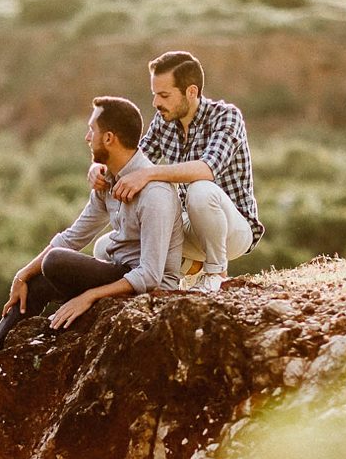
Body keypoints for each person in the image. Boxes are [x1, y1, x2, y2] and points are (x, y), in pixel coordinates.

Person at [0, 96, 183, 393]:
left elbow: (151, 275)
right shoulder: (107, 182)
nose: (86, 137)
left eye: (91, 130)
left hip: (152, 287)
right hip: (121, 273)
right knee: (36, 284)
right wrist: (22, 274)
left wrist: (90, 296)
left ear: (109, 138)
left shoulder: (155, 194)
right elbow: (73, 236)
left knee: (56, 261)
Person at [90, 50, 263, 293]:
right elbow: (131, 158)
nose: (156, 103)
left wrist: (149, 174)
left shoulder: (226, 117)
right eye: (154, 95)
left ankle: (216, 273)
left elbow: (206, 169)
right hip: (186, 227)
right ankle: (189, 266)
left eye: (163, 95)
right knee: (103, 247)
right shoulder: (164, 120)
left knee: (200, 190)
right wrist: (99, 167)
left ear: (191, 92)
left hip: (233, 230)